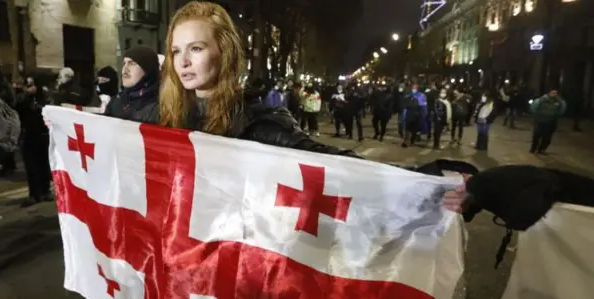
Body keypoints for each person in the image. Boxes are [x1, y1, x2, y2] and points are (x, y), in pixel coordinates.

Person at [158, 1, 578, 249]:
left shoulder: (259, 122)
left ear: (225, 52)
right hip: (180, 252)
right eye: (177, 50)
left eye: (196, 47)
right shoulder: (163, 118)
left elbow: (344, 168)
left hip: (237, 255)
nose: (184, 61)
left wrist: (431, 180)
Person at [15, 75, 52, 207]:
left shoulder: (44, 96)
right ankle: (34, 193)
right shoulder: (23, 97)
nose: (30, 87)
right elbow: (16, 104)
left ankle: (45, 190)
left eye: (32, 84)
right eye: (28, 85)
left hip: (42, 134)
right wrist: (26, 94)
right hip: (28, 135)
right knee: (31, 166)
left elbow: (49, 108)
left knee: (44, 164)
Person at [105, 46, 160, 124]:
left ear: (147, 70)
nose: (125, 69)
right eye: (124, 63)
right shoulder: (115, 102)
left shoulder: (163, 108)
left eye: (132, 63)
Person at [529, 88, 566, 155]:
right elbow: (533, 108)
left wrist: (556, 116)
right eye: (552, 93)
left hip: (551, 122)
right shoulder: (541, 100)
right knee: (537, 136)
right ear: (548, 93)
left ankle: (541, 149)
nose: (554, 95)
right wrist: (537, 117)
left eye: (555, 93)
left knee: (547, 137)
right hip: (540, 121)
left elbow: (562, 109)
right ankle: (533, 148)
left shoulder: (558, 101)